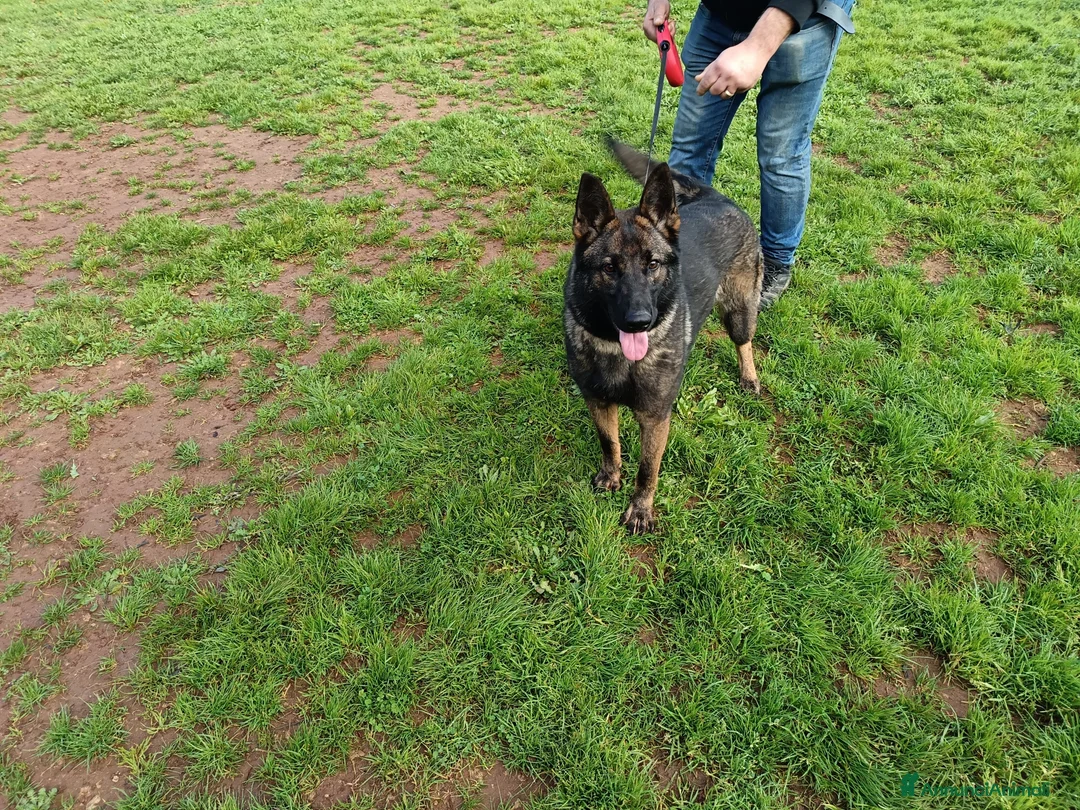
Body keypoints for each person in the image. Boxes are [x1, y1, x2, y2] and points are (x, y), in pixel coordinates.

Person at [643, 0, 855, 309]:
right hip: (721, 14)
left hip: (802, 18)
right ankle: (681, 249)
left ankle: (775, 264)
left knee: (781, 154)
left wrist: (756, 48)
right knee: (688, 149)